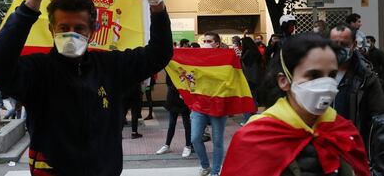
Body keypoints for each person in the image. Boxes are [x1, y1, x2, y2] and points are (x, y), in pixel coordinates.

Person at [0, 0, 173, 176]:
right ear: (51, 28)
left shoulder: (110, 67)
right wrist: (33, 1)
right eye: (64, 27)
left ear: (92, 30)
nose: (71, 34)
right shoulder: (37, 70)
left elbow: (159, 54)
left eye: (79, 28)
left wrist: (157, 5)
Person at [220, 33, 370, 176]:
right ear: (284, 81)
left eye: (331, 75)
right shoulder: (254, 137)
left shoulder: (344, 131)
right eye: (314, 75)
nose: (326, 84)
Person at [330, 24, 384, 172]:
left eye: (344, 44)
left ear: (354, 45)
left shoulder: (367, 79)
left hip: (352, 152)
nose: (339, 48)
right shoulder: (316, 74)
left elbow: (378, 123)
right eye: (335, 44)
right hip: (325, 151)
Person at [192, 31, 227, 176]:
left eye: (210, 41)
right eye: (204, 41)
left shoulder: (225, 60)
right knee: (195, 138)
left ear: (217, 44)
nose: (206, 44)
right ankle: (205, 165)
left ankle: (215, 171)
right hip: (199, 105)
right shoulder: (196, 59)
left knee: (217, 141)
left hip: (218, 105)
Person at [156, 73, 192, 158]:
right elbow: (168, 82)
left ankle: (188, 146)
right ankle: (167, 145)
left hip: (183, 98)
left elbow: (190, 81)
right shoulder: (171, 68)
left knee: (186, 124)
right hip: (173, 98)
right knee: (172, 124)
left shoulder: (185, 69)